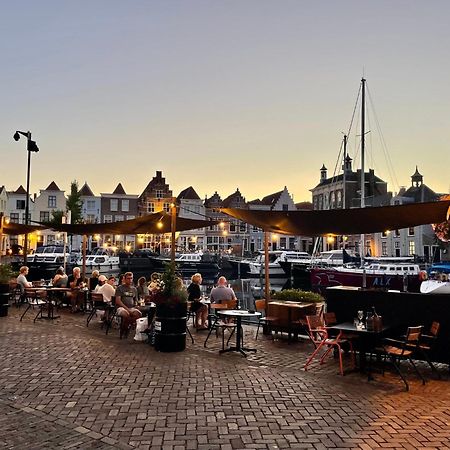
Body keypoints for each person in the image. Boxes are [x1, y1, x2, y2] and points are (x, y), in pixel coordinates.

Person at [115, 271, 142, 337]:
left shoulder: (134, 289)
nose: (130, 280)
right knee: (125, 314)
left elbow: (136, 300)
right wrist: (127, 309)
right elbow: (118, 301)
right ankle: (126, 327)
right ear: (124, 279)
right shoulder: (120, 288)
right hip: (121, 307)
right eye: (128, 278)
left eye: (131, 278)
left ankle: (126, 327)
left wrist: (136, 306)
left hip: (131, 307)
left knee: (138, 314)